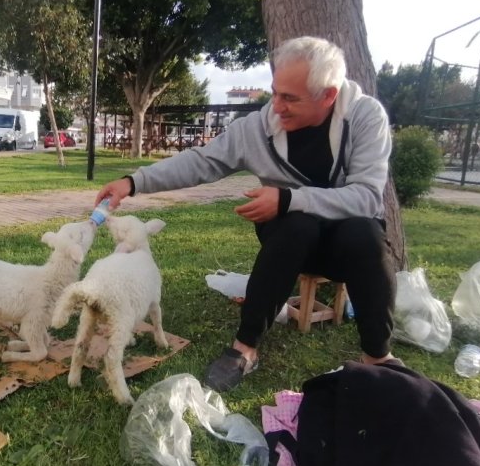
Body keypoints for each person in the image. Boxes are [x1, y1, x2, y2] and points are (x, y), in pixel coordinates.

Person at [95, 36, 397, 392]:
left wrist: (288, 198)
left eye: (290, 98)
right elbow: (202, 161)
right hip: (289, 236)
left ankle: (378, 357)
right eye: (275, 93)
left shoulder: (364, 117)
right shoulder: (258, 128)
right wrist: (134, 182)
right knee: (296, 227)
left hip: (345, 244)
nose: (277, 106)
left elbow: (367, 197)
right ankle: (245, 348)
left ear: (328, 96)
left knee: (365, 234)